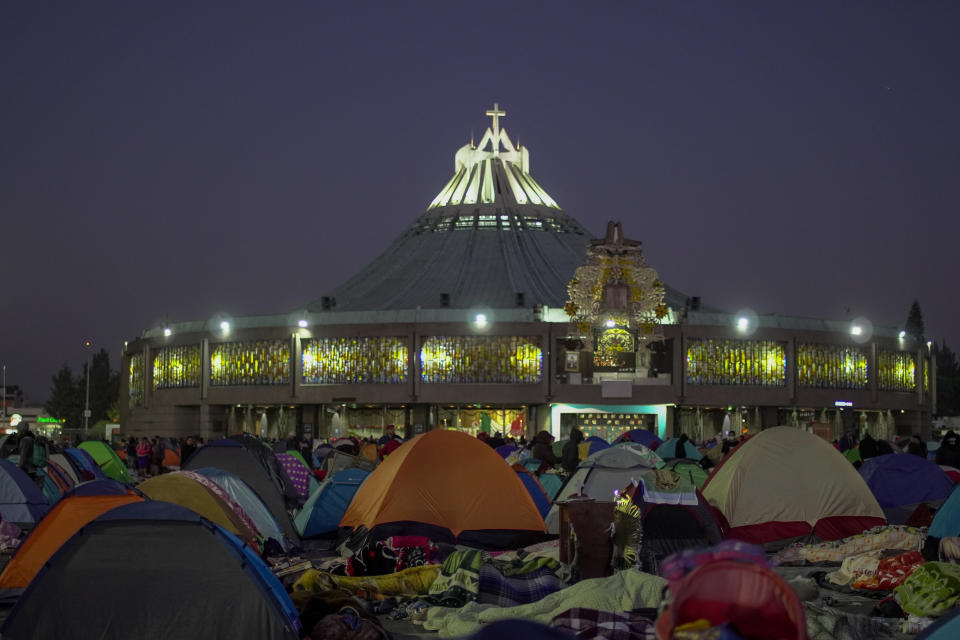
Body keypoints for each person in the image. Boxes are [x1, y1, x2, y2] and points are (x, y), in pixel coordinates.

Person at [16, 421, 43, 488]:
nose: (17, 432)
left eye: (18, 430)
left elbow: (23, 456)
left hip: (27, 469)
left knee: (26, 488)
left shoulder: (25, 440)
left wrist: (18, 468)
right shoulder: (32, 438)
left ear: (22, 430)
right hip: (33, 468)